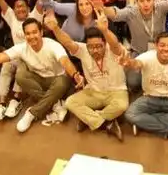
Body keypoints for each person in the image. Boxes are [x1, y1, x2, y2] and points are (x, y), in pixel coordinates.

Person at [0, 18, 80, 133]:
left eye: (34, 32)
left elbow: (65, 61)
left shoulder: (52, 45)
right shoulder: (22, 48)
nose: (31, 36)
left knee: (63, 81)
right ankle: (53, 104)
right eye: (28, 33)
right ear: (24, 35)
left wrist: (75, 74)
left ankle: (32, 113)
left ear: (41, 32)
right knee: (21, 77)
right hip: (38, 83)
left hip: (56, 81)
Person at [46, 8, 127, 140]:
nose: (95, 50)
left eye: (98, 46)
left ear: (104, 44)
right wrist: (55, 28)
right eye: (91, 47)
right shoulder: (83, 50)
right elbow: (68, 42)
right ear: (86, 45)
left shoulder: (112, 48)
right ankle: (108, 122)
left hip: (116, 92)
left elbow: (116, 45)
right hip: (93, 92)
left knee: (122, 106)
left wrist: (105, 30)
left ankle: (89, 118)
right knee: (70, 102)